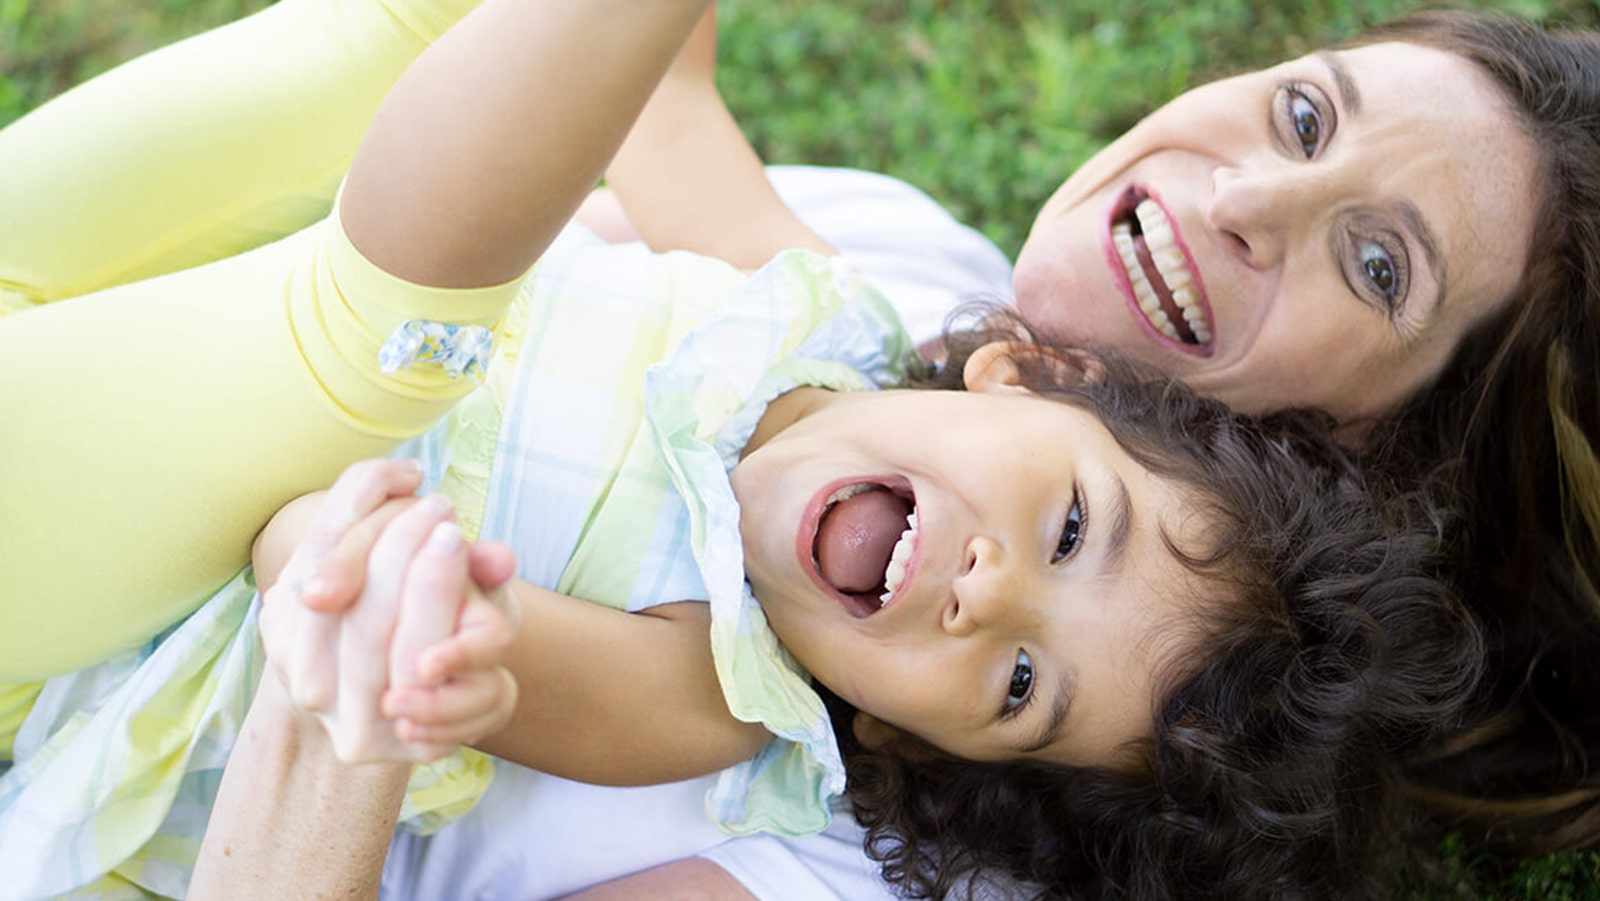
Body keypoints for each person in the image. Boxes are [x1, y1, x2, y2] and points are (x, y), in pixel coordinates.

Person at [0, 3, 1479, 900]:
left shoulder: (707, 691)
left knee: (391, 333)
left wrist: (427, 628)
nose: (985, 593)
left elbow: (361, 585)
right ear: (1030, 375)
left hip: (137, 610)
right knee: (437, 45)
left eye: (1022, 685)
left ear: (909, 737)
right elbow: (664, 103)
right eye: (1075, 529)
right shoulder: (817, 300)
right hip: (174, 315)